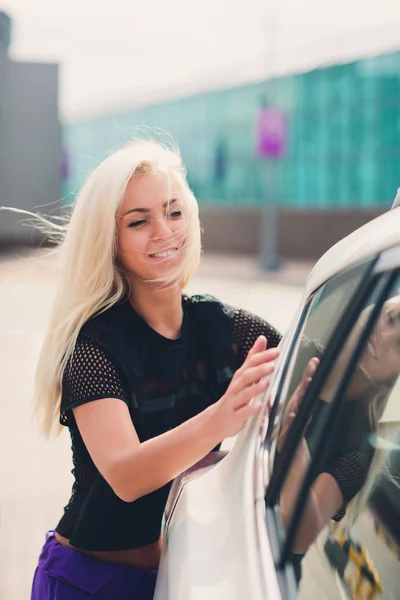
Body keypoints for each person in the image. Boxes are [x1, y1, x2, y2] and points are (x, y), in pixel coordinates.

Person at [29, 139, 282, 600]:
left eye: (174, 212)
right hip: (85, 582)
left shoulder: (222, 326)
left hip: (172, 576)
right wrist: (222, 417)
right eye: (139, 221)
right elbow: (126, 476)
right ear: (111, 240)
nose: (164, 231)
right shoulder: (91, 347)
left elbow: (315, 367)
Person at [277, 295, 400, 581]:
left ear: (396, 375)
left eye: (399, 346)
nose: (383, 335)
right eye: (390, 319)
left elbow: (298, 536)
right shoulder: (298, 352)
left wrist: (295, 447)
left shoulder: (358, 448)